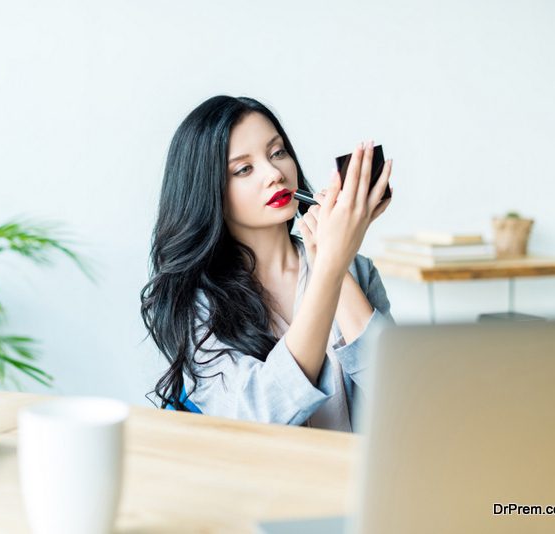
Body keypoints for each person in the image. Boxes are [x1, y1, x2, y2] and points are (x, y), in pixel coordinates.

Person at [140, 96, 394, 431]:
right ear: (207, 190)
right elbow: (260, 415)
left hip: (365, 480)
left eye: (277, 153)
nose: (275, 174)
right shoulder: (196, 300)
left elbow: (400, 394)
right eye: (244, 169)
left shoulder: (357, 270)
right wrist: (330, 266)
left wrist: (334, 263)